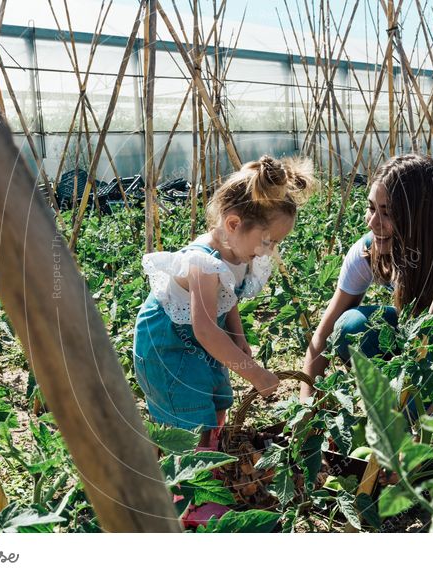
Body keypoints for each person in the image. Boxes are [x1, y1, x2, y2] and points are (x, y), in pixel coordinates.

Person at [134, 155, 313, 523]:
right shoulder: (202, 262)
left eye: (275, 243)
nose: (269, 251)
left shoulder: (239, 250)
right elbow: (203, 328)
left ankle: (208, 467)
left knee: (216, 398)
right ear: (233, 223)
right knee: (187, 415)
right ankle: (189, 498)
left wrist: (239, 334)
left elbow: (227, 299)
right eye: (267, 241)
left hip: (202, 336)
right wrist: (257, 374)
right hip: (166, 342)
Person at [300, 153, 433, 410]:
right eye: (371, 208)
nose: (373, 222)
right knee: (350, 327)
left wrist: (414, 420)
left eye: (388, 213)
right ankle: (395, 399)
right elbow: (322, 338)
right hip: (418, 346)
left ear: (422, 216)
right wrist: (306, 410)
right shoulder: (367, 252)